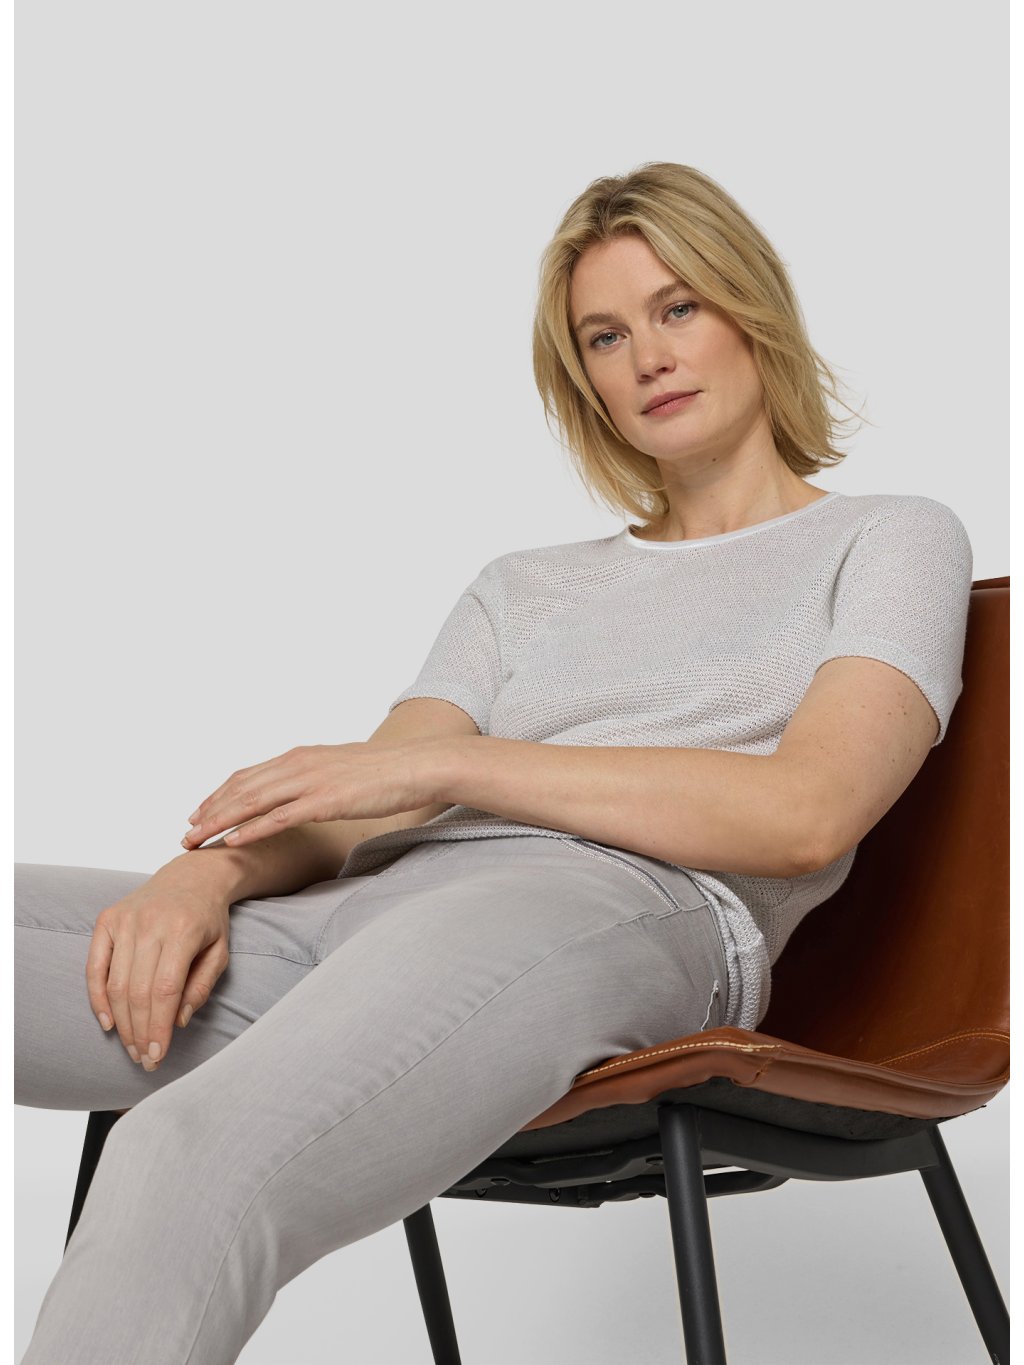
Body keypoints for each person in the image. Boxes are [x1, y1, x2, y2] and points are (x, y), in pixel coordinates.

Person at [14, 161, 973, 1364]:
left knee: (177, 1154)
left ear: (752, 311)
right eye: (605, 336)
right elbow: (365, 799)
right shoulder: (522, 587)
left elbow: (808, 814)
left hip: (611, 913)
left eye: (678, 308)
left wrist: (459, 770)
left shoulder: (888, 537)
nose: (648, 357)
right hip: (363, 916)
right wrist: (199, 879)